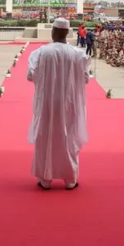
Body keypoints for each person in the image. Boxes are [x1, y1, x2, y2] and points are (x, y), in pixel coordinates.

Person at [27, 18, 90, 190]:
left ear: (53, 32)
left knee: (46, 136)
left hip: (47, 102)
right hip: (69, 103)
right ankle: (70, 180)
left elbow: (30, 75)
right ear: (68, 33)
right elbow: (86, 79)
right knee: (68, 137)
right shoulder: (78, 54)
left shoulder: (41, 53)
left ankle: (45, 179)